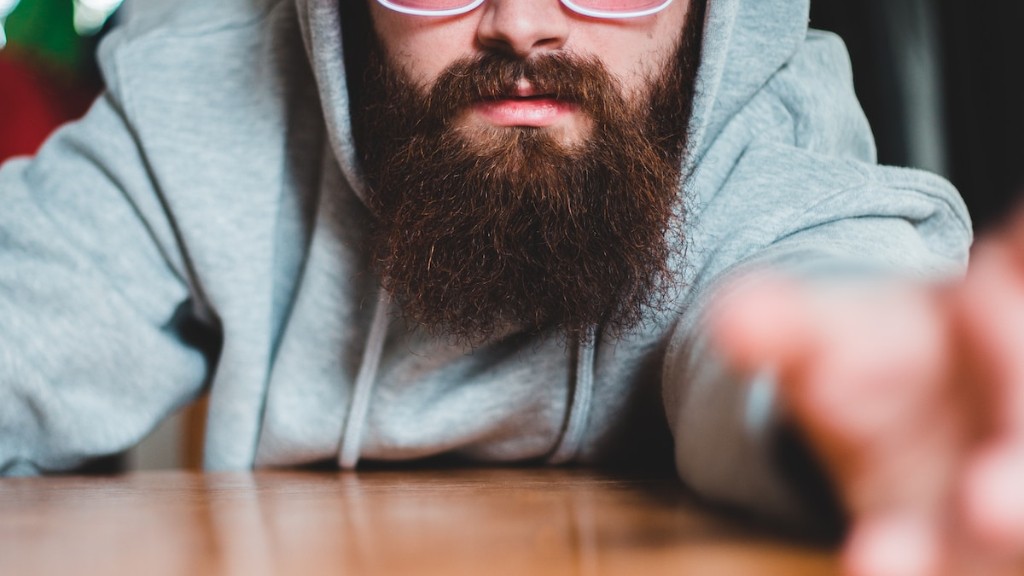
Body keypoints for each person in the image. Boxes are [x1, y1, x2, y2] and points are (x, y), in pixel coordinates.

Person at [0, 0, 1017, 574]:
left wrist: (856, 423)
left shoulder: (765, 130)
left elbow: (818, 298)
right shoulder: (199, 90)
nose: (523, 23)